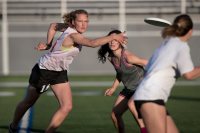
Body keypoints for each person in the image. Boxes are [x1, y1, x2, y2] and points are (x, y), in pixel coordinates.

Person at [9, 9, 126, 133]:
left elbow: (53, 26)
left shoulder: (68, 28)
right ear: (73, 22)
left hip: (59, 72)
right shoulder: (73, 35)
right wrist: (113, 36)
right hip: (44, 71)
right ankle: (13, 126)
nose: (83, 24)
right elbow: (92, 43)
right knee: (28, 102)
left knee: (67, 106)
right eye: (80, 21)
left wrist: (49, 44)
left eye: (86, 21)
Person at [130, 14, 200, 133]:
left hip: (149, 96)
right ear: (190, 31)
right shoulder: (181, 46)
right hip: (151, 97)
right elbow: (189, 75)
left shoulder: (168, 43)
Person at [98, 30, 148, 133]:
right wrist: (113, 88)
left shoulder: (128, 57)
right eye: (111, 39)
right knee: (115, 114)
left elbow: (148, 62)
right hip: (129, 89)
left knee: (131, 104)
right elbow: (120, 73)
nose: (112, 42)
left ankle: (145, 130)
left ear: (121, 41)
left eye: (116, 39)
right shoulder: (111, 58)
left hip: (142, 87)